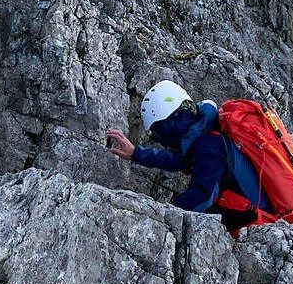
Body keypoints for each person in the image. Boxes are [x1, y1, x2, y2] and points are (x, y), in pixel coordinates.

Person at [106, 80, 275, 234]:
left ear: (173, 120)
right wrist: (136, 153)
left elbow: (202, 194)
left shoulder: (209, 145)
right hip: (248, 220)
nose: (162, 140)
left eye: (160, 132)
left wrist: (162, 219)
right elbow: (176, 160)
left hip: (258, 227)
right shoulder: (206, 135)